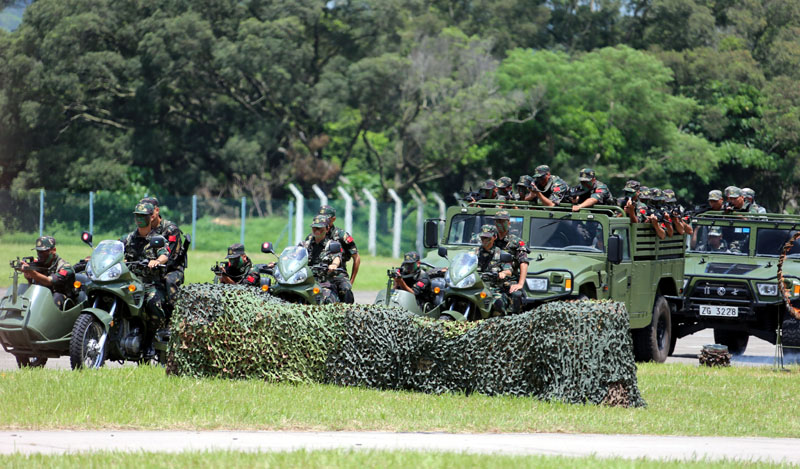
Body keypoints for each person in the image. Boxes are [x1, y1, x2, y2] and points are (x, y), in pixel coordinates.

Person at [122, 202, 170, 358]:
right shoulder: (128, 238)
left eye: (143, 216)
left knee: (153, 304)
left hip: (150, 283)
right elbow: (116, 250)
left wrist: (157, 261)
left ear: (151, 217)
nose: (139, 219)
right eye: (137, 216)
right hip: (129, 282)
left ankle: (150, 340)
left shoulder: (157, 239)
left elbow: (164, 254)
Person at [139, 197, 185, 311]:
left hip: (171, 269)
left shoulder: (170, 229)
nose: (147, 215)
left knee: (169, 281)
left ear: (157, 211)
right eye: (144, 213)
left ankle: (174, 314)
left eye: (150, 212)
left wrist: (157, 262)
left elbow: (171, 257)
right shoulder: (142, 229)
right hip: (147, 267)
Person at [18, 236, 77, 309]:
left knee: (57, 296)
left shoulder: (65, 267)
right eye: (38, 251)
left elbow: (49, 281)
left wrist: (32, 272)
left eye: (43, 252)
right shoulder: (38, 264)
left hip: (65, 304)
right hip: (43, 300)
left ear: (53, 250)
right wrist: (29, 278)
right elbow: (35, 290)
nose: (40, 255)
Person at [318, 205, 357, 303]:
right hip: (317, 271)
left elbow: (356, 258)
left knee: (346, 290)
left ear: (333, 219)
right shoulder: (314, 235)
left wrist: (351, 280)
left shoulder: (341, 235)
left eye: (326, 218)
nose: (323, 221)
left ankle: (347, 314)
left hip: (337, 273)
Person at [474, 225, 515, 316]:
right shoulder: (474, 253)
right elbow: (464, 263)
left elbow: (509, 271)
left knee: (498, 304)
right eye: (483, 237)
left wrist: (503, 273)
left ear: (495, 237)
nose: (484, 240)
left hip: (494, 289)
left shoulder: (501, 254)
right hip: (474, 287)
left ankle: (497, 325)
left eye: (487, 238)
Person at [303, 214, 344, 302]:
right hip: (305, 281)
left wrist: (334, 265)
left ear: (327, 229)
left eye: (320, 228)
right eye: (314, 227)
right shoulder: (305, 244)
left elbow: (337, 257)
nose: (316, 230)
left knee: (327, 299)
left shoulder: (332, 244)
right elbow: (294, 254)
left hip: (324, 282)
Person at [493, 210, 529, 297]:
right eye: (498, 221)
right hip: (491, 279)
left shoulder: (516, 242)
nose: (500, 224)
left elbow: (523, 262)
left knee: (516, 295)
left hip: (508, 281)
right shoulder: (490, 239)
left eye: (502, 221)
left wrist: (520, 284)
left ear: (508, 223)